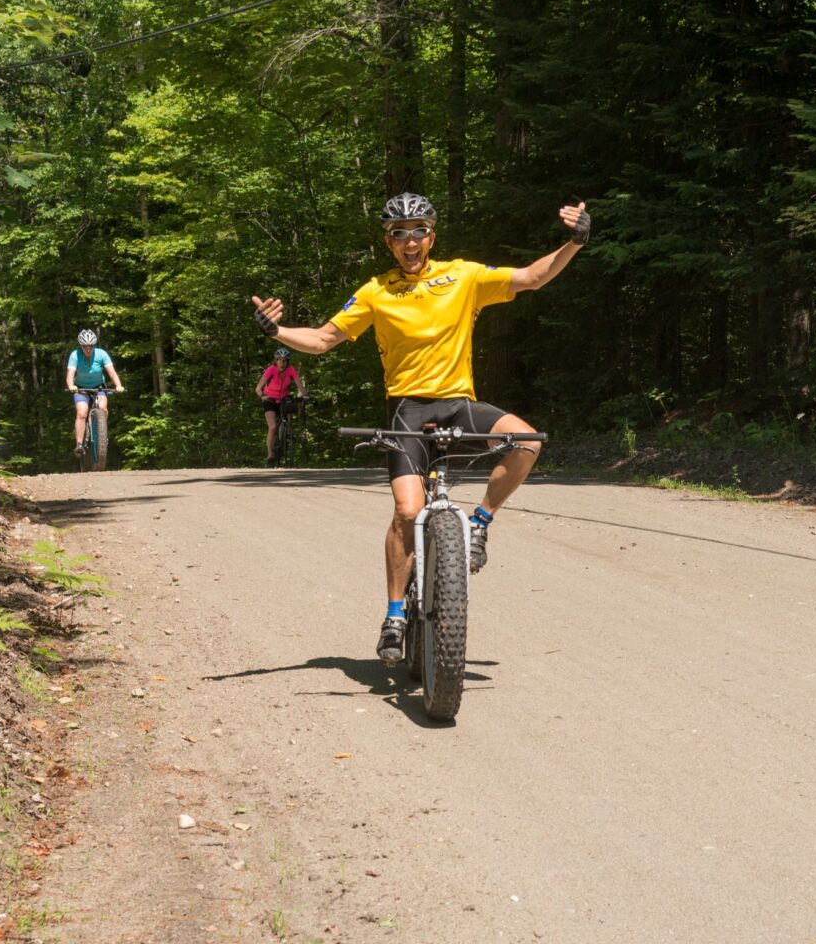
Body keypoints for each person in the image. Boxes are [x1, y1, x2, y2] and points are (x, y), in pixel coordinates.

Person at [252, 192, 590, 663]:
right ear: (388, 242)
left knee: (526, 443)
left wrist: (575, 240)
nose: (410, 242)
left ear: (432, 236)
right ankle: (394, 615)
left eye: (418, 231)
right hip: (407, 411)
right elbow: (325, 338)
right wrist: (276, 332)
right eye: (398, 234)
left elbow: (532, 277)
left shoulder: (464, 276)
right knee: (407, 513)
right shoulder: (376, 291)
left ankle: (480, 523)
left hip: (460, 405)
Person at [65, 329, 125, 457]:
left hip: (99, 387)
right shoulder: (75, 355)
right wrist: (71, 386)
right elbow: (70, 375)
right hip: (80, 388)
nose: (88, 349)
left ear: (94, 345)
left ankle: (101, 434)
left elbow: (112, 372)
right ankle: (79, 444)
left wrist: (119, 385)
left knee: (103, 408)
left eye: (91, 346)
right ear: (80, 346)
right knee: (81, 413)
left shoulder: (102, 354)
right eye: (85, 346)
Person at [256, 347, 307, 468]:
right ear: (276, 360)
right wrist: (262, 396)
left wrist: (305, 396)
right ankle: (270, 456)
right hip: (270, 399)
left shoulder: (291, 370)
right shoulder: (271, 370)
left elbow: (300, 385)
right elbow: (258, 388)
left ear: (287, 361)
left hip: (284, 398)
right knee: (272, 427)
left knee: (290, 409)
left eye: (284, 360)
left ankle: (288, 432)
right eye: (279, 360)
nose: (282, 363)